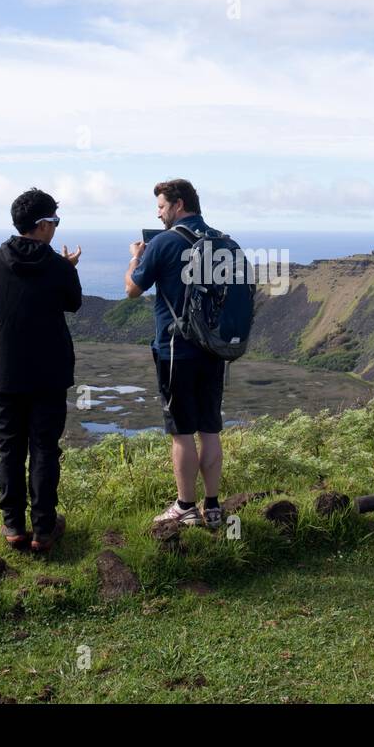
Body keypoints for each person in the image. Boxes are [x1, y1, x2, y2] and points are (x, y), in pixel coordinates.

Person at [0, 188, 82, 553]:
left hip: (5, 373)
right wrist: (68, 269)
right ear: (43, 225)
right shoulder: (59, 267)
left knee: (9, 448)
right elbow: (73, 304)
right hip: (49, 374)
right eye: (55, 222)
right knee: (45, 449)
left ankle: (13, 526)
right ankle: (44, 530)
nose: (56, 228)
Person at [124, 179, 226, 529]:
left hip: (175, 351)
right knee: (210, 428)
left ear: (178, 205)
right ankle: (213, 508)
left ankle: (186, 507)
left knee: (182, 431)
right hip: (214, 349)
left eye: (162, 208)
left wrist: (136, 257)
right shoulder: (222, 241)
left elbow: (132, 289)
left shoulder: (164, 242)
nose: (160, 214)